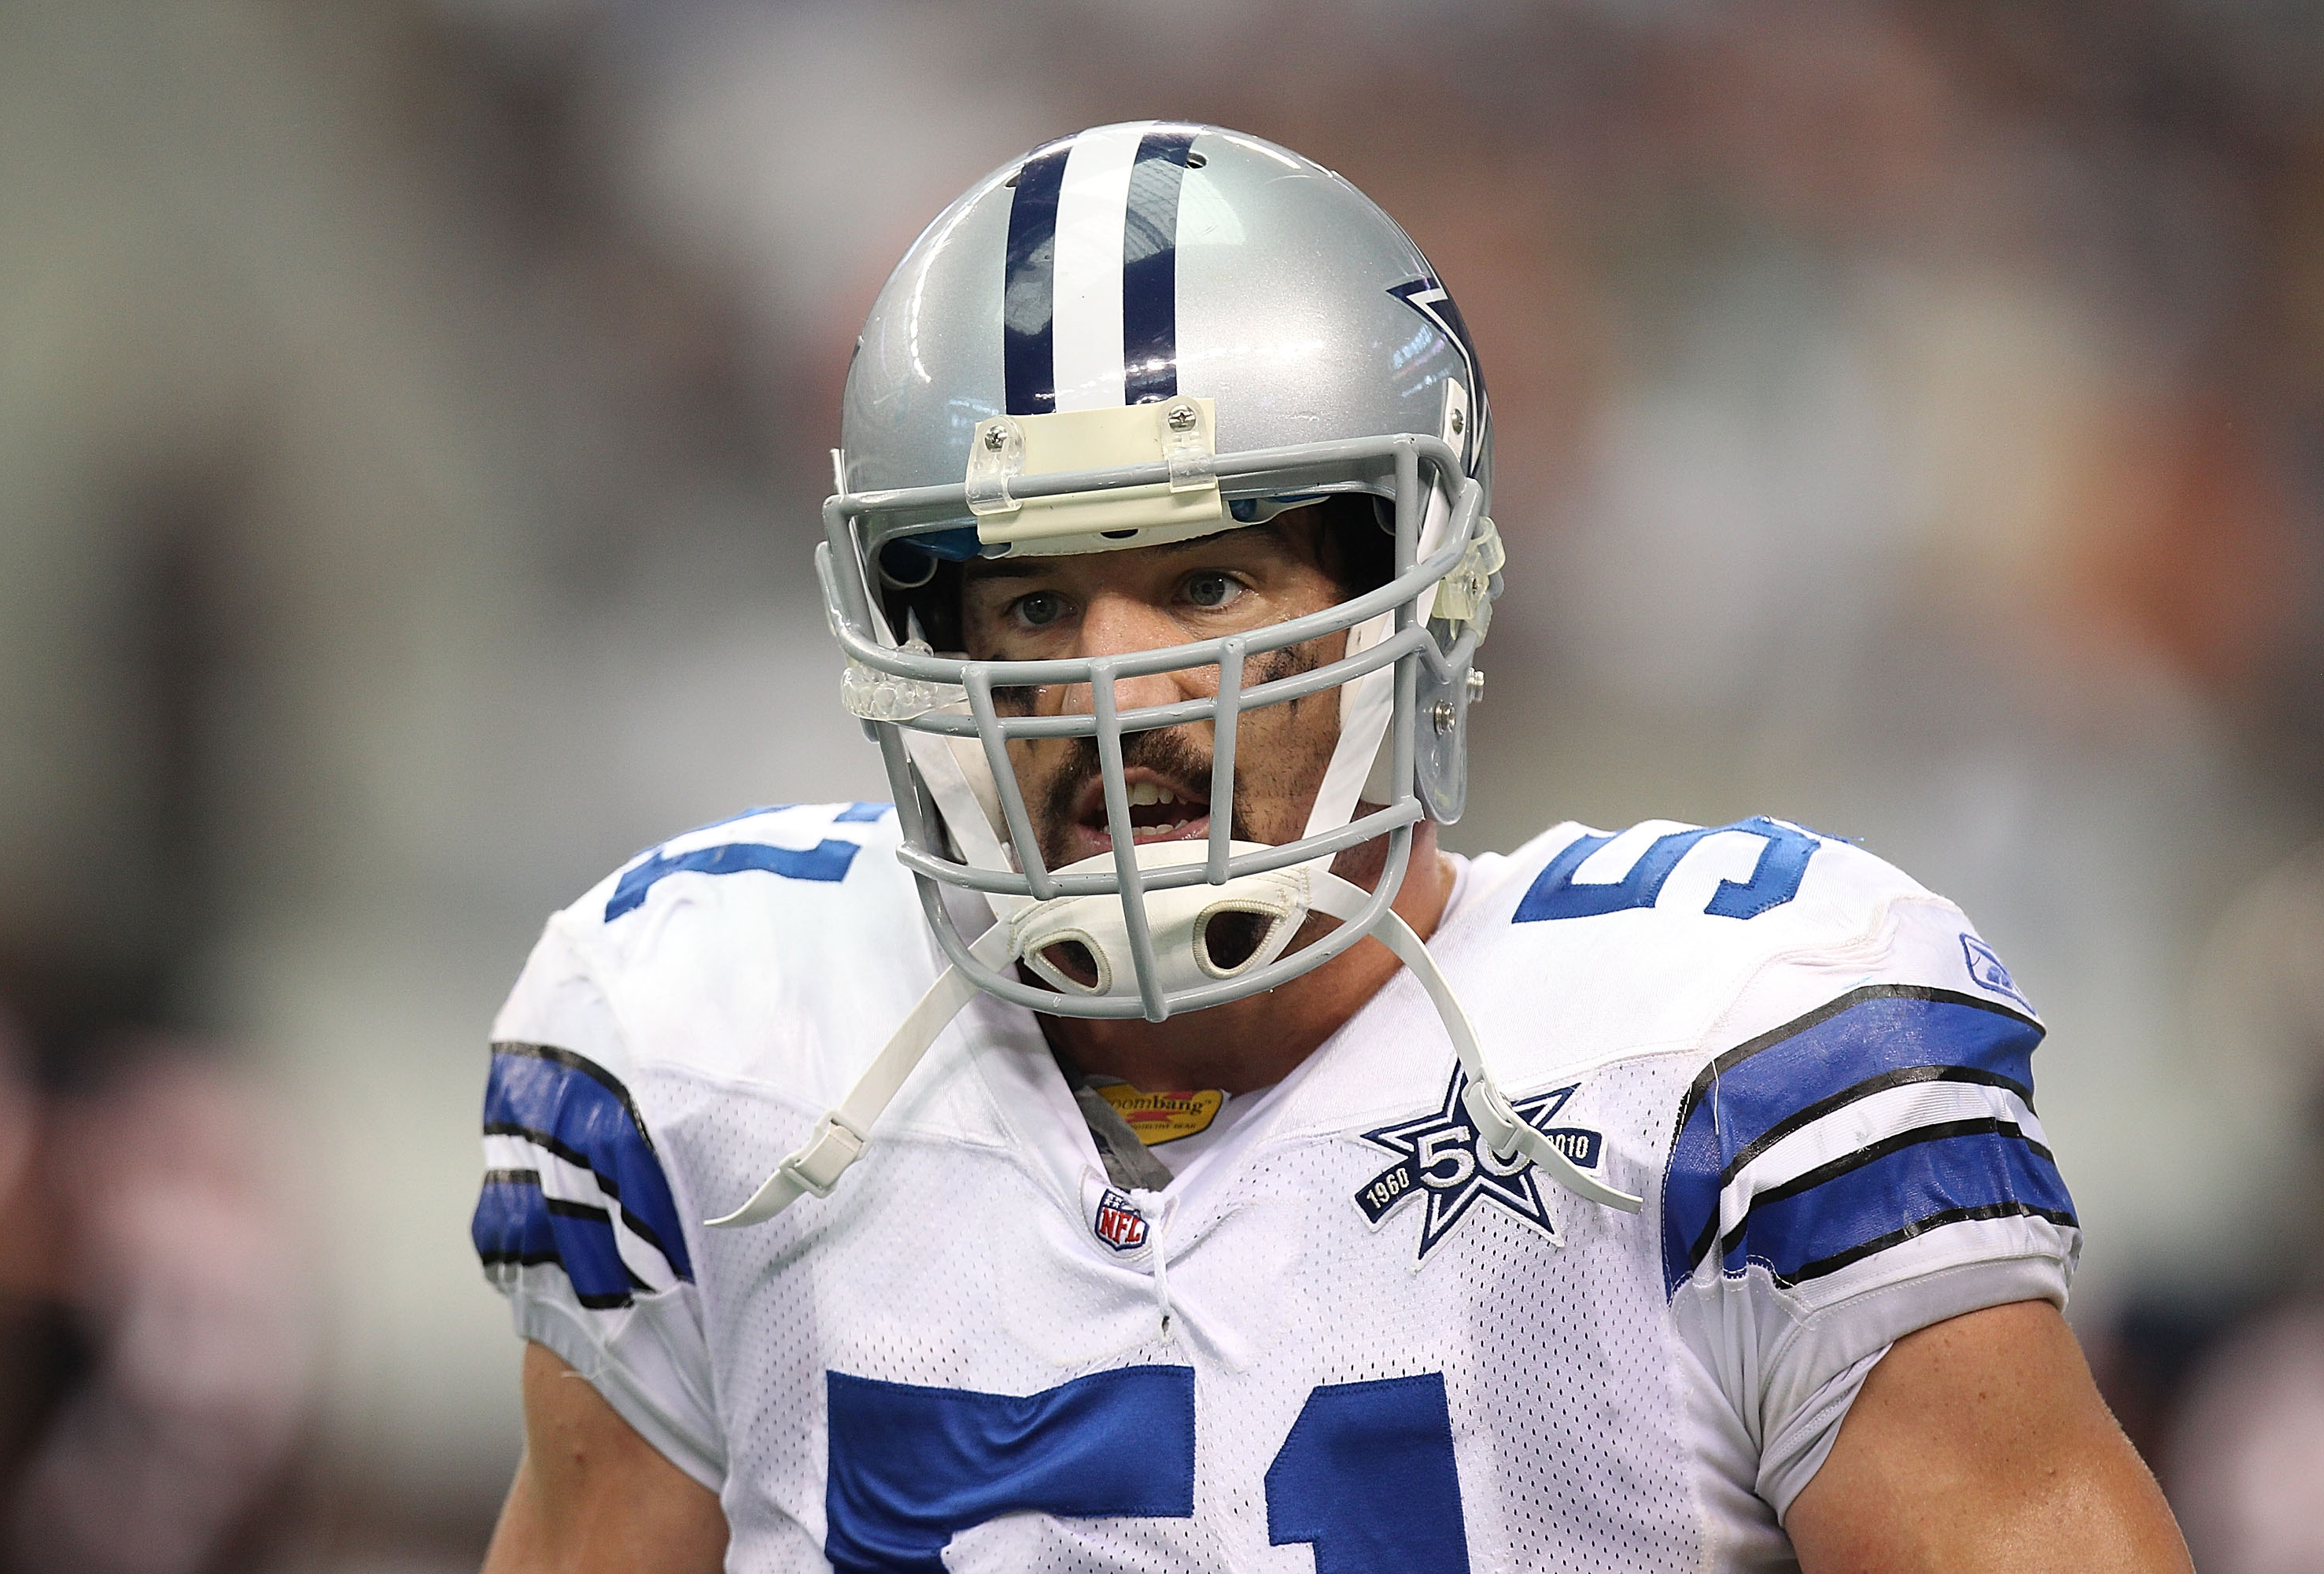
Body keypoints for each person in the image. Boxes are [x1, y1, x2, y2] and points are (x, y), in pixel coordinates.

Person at [471, 123, 2190, 1572]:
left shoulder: (1732, 1063)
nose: (1115, 683)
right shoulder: (716, 1052)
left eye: (1209, 581)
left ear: (1415, 597)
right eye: (1031, 601)